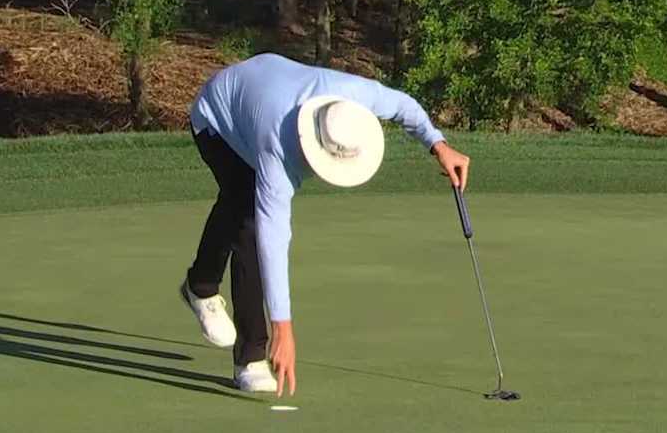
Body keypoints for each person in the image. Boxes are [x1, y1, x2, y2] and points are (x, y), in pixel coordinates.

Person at [179, 53, 471, 396]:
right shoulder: (278, 149)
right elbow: (273, 241)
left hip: (263, 90)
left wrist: (439, 145)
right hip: (216, 118)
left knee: (237, 203)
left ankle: (199, 286)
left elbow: (402, 104)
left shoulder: (352, 96)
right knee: (249, 221)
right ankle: (251, 357)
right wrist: (283, 328)